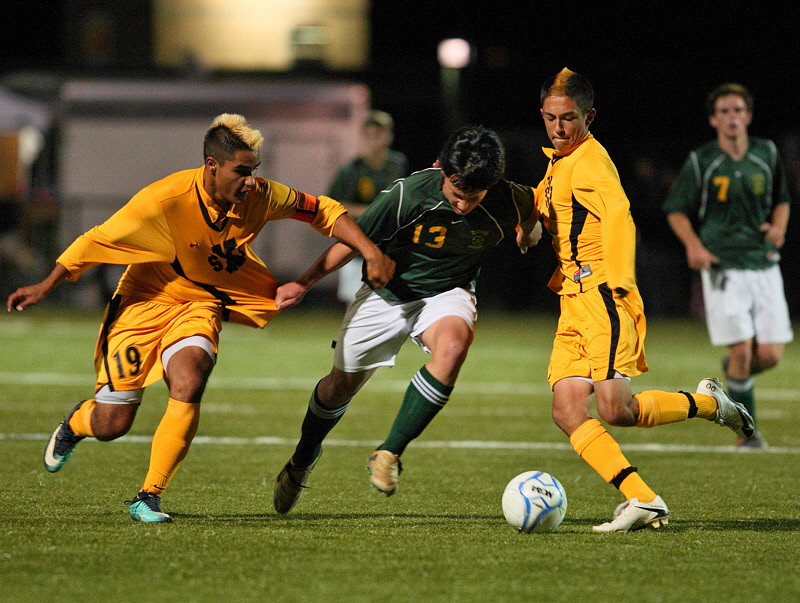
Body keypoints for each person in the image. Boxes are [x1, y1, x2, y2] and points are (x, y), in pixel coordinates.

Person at [6, 113, 394, 523]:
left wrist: (369, 252)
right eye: (242, 172)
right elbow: (95, 241)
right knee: (112, 423)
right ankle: (77, 423)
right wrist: (45, 285)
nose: (251, 181)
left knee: (191, 377)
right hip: (142, 302)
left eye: (255, 171)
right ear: (212, 165)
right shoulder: (164, 200)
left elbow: (327, 211)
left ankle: (148, 496)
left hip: (199, 304)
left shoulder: (261, 195)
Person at [271, 124, 541, 513]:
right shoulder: (411, 193)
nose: (463, 205)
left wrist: (527, 232)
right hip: (388, 294)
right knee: (339, 387)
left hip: (448, 292)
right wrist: (304, 282)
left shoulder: (509, 197)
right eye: (456, 194)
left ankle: (389, 453)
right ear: (443, 172)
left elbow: (531, 208)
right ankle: (302, 459)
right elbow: (352, 238)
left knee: (452, 350)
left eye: (474, 197)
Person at [533, 68, 755, 533]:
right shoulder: (557, 163)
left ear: (588, 117)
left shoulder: (591, 161)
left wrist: (618, 280)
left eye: (568, 118)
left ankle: (710, 405)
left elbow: (619, 215)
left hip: (602, 297)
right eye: (551, 118)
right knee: (567, 409)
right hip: (572, 303)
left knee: (617, 411)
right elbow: (545, 210)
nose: (558, 128)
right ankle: (643, 498)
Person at [663, 83, 793, 449]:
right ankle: (747, 436)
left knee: (768, 356)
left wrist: (779, 227)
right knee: (741, 352)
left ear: (748, 116)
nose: (732, 117)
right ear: (713, 119)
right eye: (724, 111)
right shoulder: (702, 160)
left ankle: (734, 377)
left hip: (763, 262)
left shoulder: (765, 152)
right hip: (722, 267)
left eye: (738, 110)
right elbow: (675, 209)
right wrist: (694, 245)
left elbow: (782, 200)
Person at [328, 110, 409, 303]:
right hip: (357, 250)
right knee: (356, 305)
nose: (378, 141)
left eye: (382, 134)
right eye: (373, 136)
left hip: (389, 248)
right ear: (364, 137)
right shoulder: (352, 170)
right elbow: (332, 206)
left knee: (392, 306)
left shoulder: (397, 164)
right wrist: (372, 212)